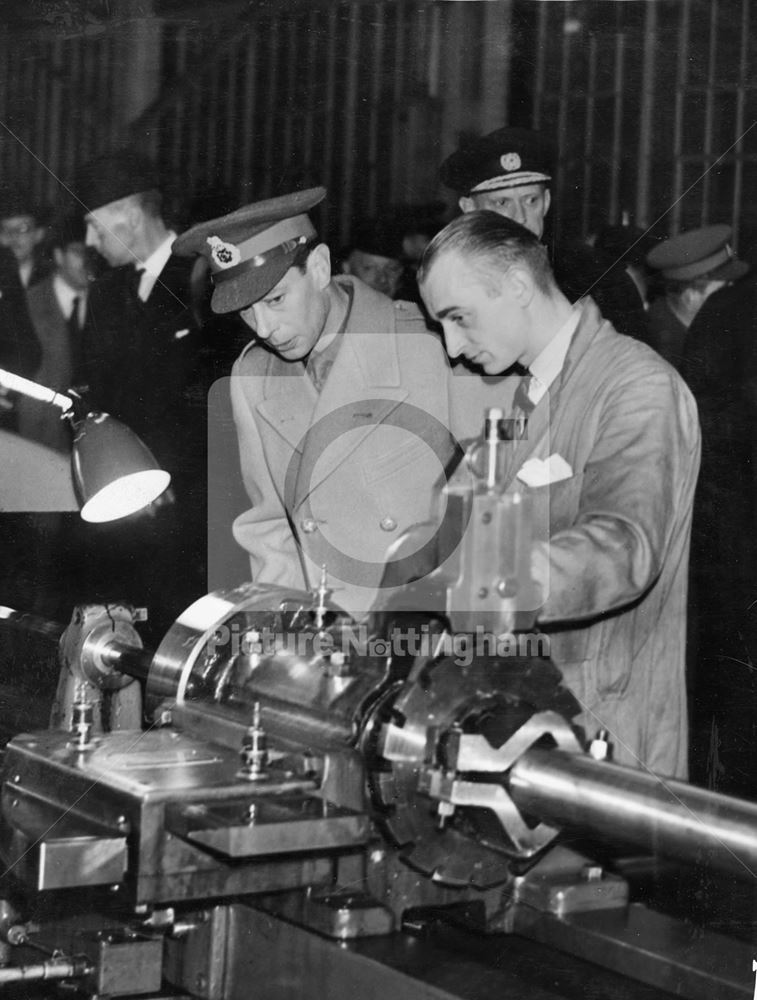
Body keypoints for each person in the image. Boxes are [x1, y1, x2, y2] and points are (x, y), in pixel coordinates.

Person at [417, 210, 700, 778]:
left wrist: (497, 580)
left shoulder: (637, 386)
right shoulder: (522, 394)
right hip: (523, 731)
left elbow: (625, 544)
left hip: (604, 739)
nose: (450, 346)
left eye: (458, 318)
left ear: (519, 285)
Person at [173, 187, 495, 618]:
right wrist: (280, 643)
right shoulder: (254, 378)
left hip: (426, 631)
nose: (265, 328)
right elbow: (269, 533)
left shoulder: (429, 344)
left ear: (320, 268)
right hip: (327, 641)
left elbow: (494, 500)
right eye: (246, 313)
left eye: (275, 300)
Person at [69, 150, 208, 640]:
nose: (89, 241)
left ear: (128, 214)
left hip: (193, 508)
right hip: (123, 506)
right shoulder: (106, 294)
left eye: (94, 225)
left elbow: (211, 399)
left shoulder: (203, 278)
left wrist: (164, 473)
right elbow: (100, 396)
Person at [439, 126, 648, 341]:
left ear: (546, 202)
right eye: (502, 203)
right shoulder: (445, 287)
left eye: (531, 200)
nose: (520, 217)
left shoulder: (596, 278)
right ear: (470, 209)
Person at [16, 214, 91, 452]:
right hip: (37, 445)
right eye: (79, 253)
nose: (88, 262)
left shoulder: (107, 303)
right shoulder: (27, 305)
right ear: (58, 255)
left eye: (92, 254)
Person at [645, 224, 748, 372]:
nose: (731, 296)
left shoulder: (692, 329)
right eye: (723, 289)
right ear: (690, 296)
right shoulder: (664, 349)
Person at [0, 188, 52, 290]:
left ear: (38, 234)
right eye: (6, 230)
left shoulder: (52, 277)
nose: (14, 236)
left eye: (23, 229)